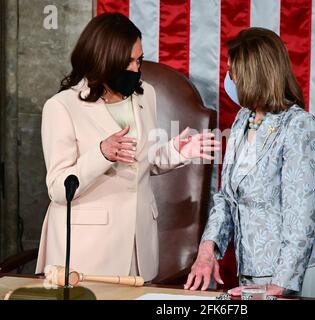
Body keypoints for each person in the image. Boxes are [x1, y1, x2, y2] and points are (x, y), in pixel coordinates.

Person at [35, 13, 219, 282]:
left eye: (139, 59)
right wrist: (101, 153)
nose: (135, 68)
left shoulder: (145, 94)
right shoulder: (62, 107)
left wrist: (177, 152)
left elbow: (143, 161)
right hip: (87, 253)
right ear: (104, 59)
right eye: (128, 62)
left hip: (138, 247)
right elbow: (58, 188)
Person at [184, 27, 315, 298]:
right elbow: (226, 196)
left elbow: (302, 216)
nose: (229, 79)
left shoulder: (300, 127)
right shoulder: (243, 119)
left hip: (291, 274)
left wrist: (281, 283)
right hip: (250, 267)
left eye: (233, 72)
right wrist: (207, 249)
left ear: (253, 76)